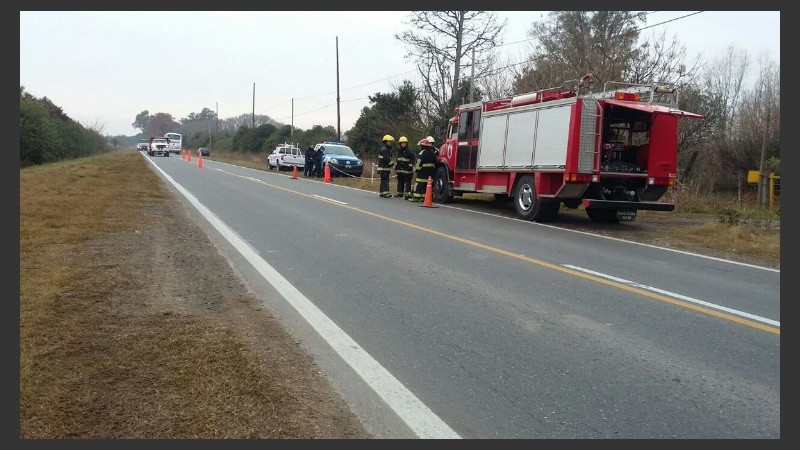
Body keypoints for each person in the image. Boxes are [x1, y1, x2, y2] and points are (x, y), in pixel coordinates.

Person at [410, 136, 437, 202]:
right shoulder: (432, 153)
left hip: (422, 172)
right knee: (426, 185)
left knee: (419, 184)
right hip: (430, 173)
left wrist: (417, 169)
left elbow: (419, 162)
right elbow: (435, 162)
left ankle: (416, 197)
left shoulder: (422, 153)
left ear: (422, 146)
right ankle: (424, 198)